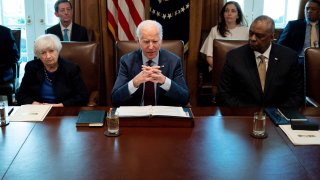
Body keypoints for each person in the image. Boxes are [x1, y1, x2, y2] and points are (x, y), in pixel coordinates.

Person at [216, 15, 304, 107]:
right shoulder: (234, 57)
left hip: (278, 114)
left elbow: (297, 94)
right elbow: (223, 94)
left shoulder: (289, 57)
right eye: (251, 33)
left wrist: (278, 114)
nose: (252, 38)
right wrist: (246, 113)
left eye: (259, 36)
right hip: (244, 114)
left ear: (272, 37)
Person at [111, 20, 189, 107]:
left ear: (161, 40)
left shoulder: (174, 61)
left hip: (163, 115)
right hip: (136, 115)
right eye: (146, 42)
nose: (151, 47)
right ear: (138, 41)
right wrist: (135, 82)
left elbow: (184, 98)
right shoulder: (126, 61)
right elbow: (115, 99)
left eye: (155, 41)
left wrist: (164, 81)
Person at [16, 34, 89, 107]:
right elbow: (21, 94)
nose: (48, 56)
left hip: (63, 110)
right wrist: (34, 103)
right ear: (38, 55)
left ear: (58, 50)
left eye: (51, 51)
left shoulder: (71, 68)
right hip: (38, 110)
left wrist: (59, 105)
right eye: (43, 53)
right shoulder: (31, 67)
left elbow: (82, 97)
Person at [200, 1, 248, 69]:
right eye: (226, 11)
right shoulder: (215, 30)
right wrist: (221, 70)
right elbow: (209, 57)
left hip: (240, 70)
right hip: (218, 68)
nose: (229, 13)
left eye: (233, 11)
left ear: (238, 15)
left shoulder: (246, 31)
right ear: (223, 14)